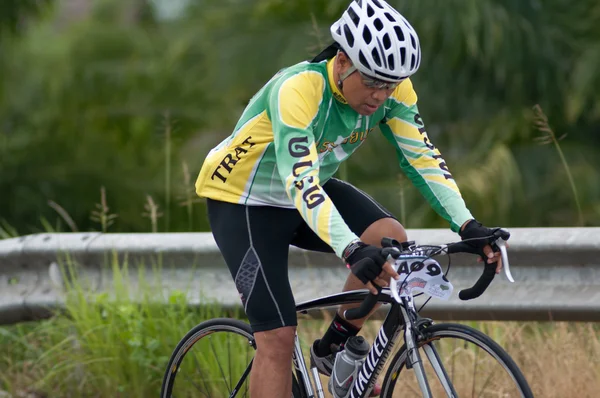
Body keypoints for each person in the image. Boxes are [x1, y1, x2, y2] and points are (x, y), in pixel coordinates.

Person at [195, 0, 507, 396]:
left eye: (390, 84)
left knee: (389, 235)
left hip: (304, 194)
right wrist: (350, 249)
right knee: (277, 335)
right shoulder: (299, 89)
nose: (381, 95)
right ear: (342, 61)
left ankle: (334, 351)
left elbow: (423, 160)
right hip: (243, 202)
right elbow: (302, 181)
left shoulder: (395, 90)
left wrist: (467, 224)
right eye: (373, 81)